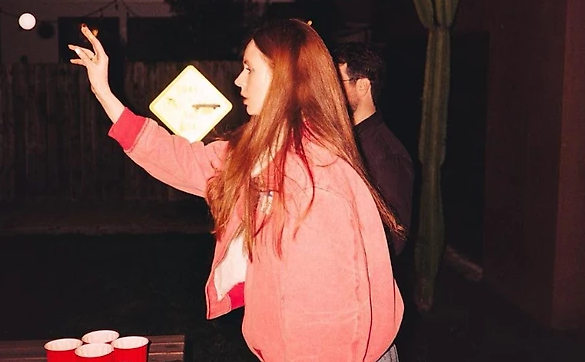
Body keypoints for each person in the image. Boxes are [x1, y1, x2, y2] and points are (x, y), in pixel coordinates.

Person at [70, 19, 404, 362]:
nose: (238, 80)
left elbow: (332, 315)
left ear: (284, 78)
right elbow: (182, 160)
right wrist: (104, 93)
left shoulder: (314, 177)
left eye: (249, 69)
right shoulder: (263, 150)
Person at [333, 42, 414, 257]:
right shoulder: (341, 139)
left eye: (338, 82)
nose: (331, 91)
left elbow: (395, 236)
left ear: (363, 86)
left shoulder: (388, 155)